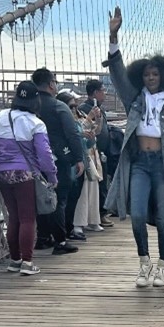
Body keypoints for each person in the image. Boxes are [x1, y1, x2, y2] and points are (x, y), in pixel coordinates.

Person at [104, 5, 164, 288]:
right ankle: (144, 263)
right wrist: (113, 37)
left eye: (155, 75)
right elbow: (117, 75)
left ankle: (163, 266)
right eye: (146, 75)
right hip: (139, 163)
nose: (150, 79)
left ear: (163, 76)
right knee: (138, 214)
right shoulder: (135, 99)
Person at [0, 81, 58, 275]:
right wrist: (51, 176)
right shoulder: (36, 123)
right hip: (25, 173)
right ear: (36, 101)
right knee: (28, 218)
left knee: (14, 217)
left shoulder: (0, 117)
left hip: (2, 172)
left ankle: (15, 260)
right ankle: (27, 263)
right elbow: (44, 153)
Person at [32, 67, 84, 255]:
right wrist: (79, 158)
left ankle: (43, 237)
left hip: (32, 160)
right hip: (58, 159)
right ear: (51, 84)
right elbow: (72, 134)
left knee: (38, 198)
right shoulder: (58, 106)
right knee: (59, 199)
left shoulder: (29, 106)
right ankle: (60, 242)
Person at [56, 90, 103, 240]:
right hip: (68, 163)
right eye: (70, 106)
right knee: (67, 199)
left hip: (82, 161)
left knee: (75, 197)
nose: (73, 109)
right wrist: (86, 124)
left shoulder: (77, 120)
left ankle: (72, 228)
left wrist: (90, 135)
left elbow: (88, 141)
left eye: (74, 106)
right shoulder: (61, 122)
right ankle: (68, 230)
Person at [79, 79, 114, 228]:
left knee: (102, 181)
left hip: (100, 152)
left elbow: (99, 129)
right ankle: (96, 214)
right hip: (91, 152)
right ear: (95, 93)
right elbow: (84, 128)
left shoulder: (100, 108)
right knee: (96, 184)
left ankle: (100, 213)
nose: (104, 93)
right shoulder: (84, 109)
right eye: (102, 90)